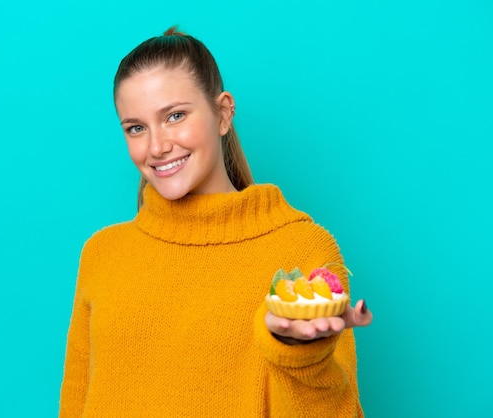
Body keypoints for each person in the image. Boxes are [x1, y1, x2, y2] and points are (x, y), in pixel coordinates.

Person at [59, 26, 373, 417]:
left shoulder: (302, 250)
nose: (156, 146)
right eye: (136, 128)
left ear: (223, 113)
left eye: (175, 116)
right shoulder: (102, 254)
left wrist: (302, 358)